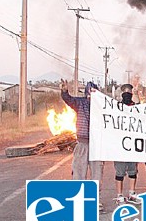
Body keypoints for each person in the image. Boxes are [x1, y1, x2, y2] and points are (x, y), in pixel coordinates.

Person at [60, 80, 104, 209]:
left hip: (97, 145)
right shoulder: (80, 103)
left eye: (94, 93)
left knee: (97, 173)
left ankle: (95, 200)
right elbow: (68, 99)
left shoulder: (102, 107)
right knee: (79, 172)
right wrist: (64, 91)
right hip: (82, 143)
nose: (91, 96)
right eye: (89, 93)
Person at [113, 84, 141, 205]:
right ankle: (119, 195)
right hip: (119, 145)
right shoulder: (115, 107)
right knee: (119, 172)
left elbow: (142, 113)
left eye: (129, 91)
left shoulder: (135, 107)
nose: (127, 93)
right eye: (125, 91)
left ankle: (132, 193)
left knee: (133, 170)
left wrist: (137, 95)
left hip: (133, 145)